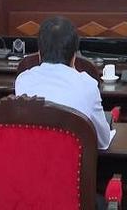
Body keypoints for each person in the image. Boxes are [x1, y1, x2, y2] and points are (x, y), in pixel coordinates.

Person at [15, 16, 111, 149]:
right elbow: (103, 142)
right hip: (72, 161)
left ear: (39, 54)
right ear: (74, 56)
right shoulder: (87, 85)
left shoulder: (23, 80)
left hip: (31, 158)